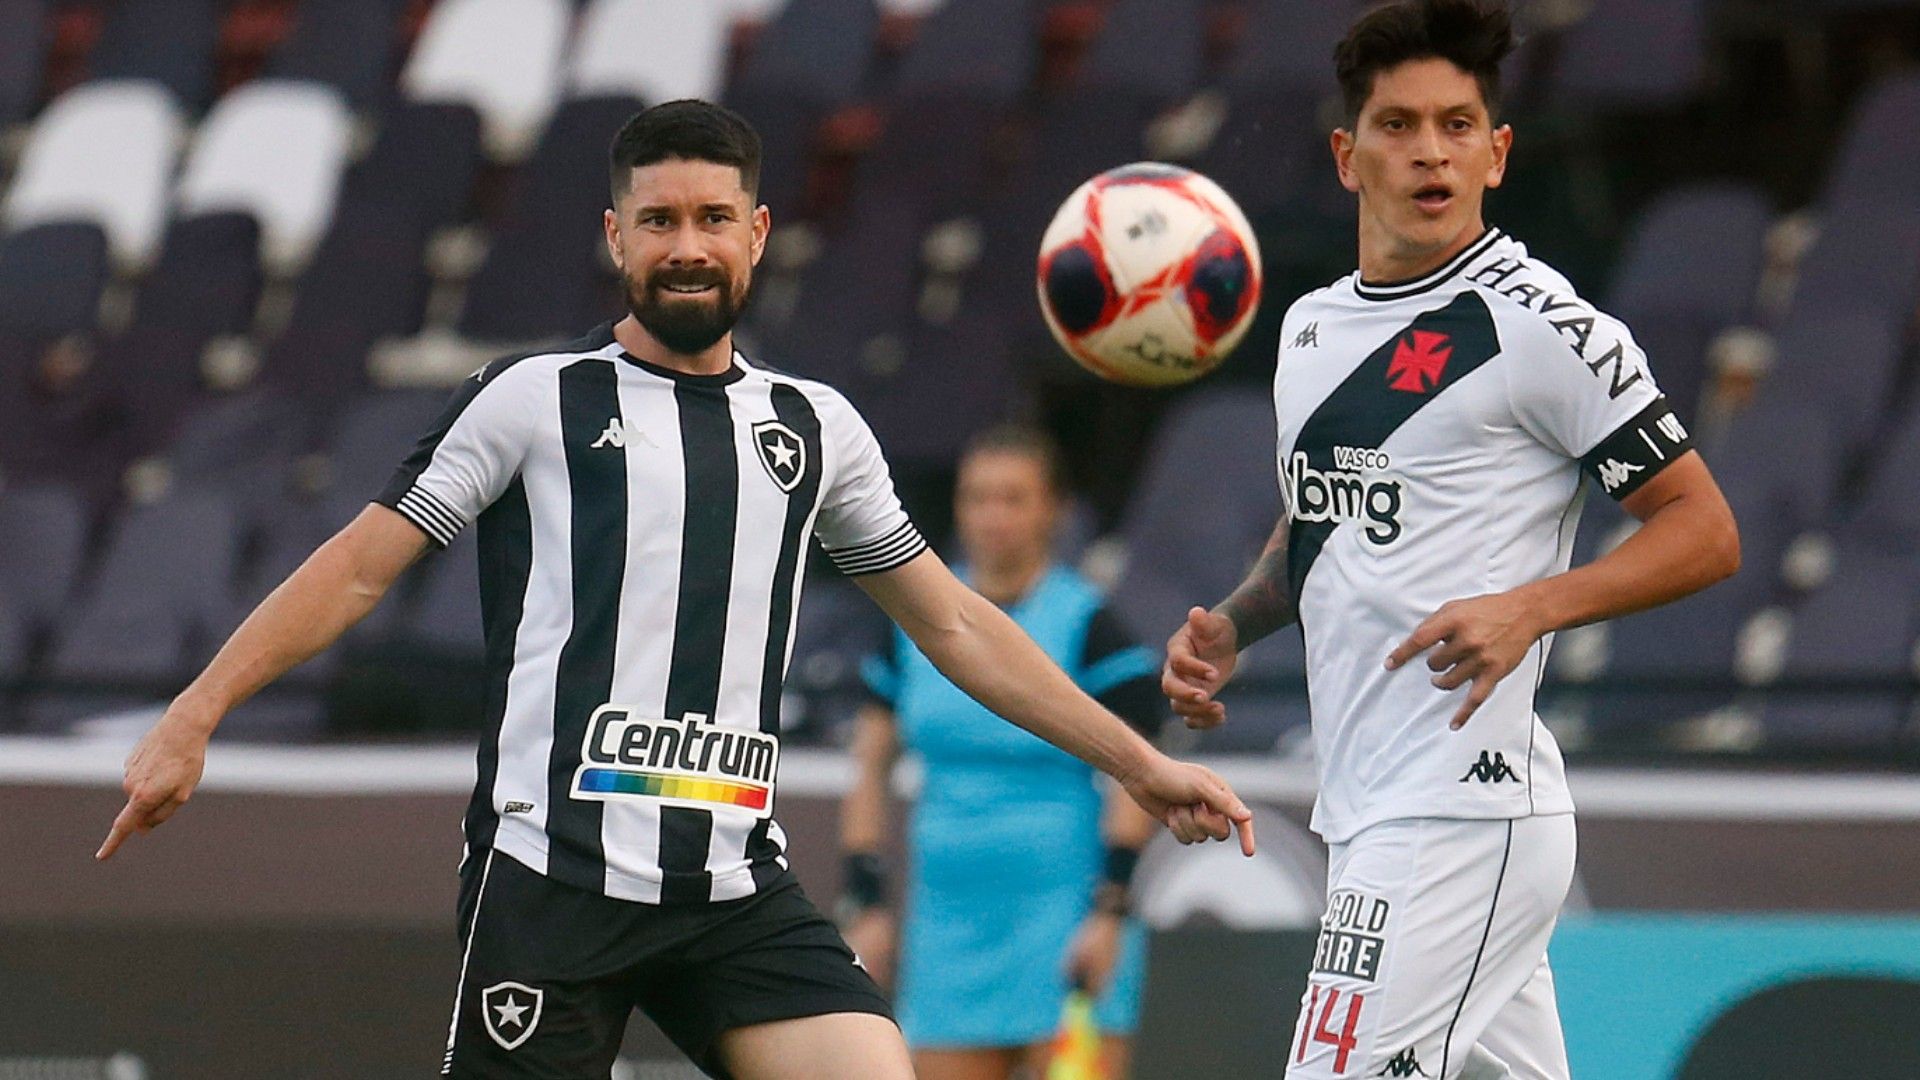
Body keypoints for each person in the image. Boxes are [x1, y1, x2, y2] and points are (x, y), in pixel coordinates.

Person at [96, 99, 1256, 1080]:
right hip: (552, 877)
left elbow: (953, 624)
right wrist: (196, 712)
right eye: (659, 221)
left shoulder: (816, 429)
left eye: (712, 220)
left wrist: (1140, 764)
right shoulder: (531, 400)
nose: (687, 246)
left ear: (758, 235)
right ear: (616, 237)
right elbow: (356, 569)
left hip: (731, 884)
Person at [1158, 4, 1740, 1079]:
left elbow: (1704, 529)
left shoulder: (1546, 329)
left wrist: (1534, 605)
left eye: (1458, 123)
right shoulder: (1312, 329)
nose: (1430, 149)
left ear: (1497, 150)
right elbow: (1325, 519)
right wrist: (1237, 622)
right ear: (1347, 154)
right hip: (1375, 799)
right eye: (1398, 124)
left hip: (1458, 812)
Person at [840, 427, 1161, 1080]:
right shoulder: (913, 617)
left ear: (1055, 510)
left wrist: (1110, 912)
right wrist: (865, 902)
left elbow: (1135, 774)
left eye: (1014, 498)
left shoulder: (1094, 625)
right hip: (946, 932)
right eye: (978, 497)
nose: (994, 516)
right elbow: (868, 767)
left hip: (1067, 922)